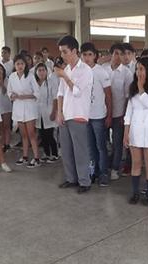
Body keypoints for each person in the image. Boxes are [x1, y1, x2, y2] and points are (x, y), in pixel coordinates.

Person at [56, 35, 94, 194]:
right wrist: (59, 113)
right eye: (61, 52)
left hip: (78, 115)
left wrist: (65, 77)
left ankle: (84, 181)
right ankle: (71, 178)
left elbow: (77, 92)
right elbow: (60, 93)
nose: (62, 55)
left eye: (65, 52)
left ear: (74, 51)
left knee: (80, 151)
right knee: (66, 150)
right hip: (66, 114)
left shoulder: (85, 70)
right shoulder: (66, 69)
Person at [124, 57, 148, 206]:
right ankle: (135, 193)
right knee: (136, 163)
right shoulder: (133, 87)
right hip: (136, 128)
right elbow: (129, 111)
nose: (138, 72)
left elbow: (147, 103)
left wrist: (141, 87)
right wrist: (126, 132)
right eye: (137, 69)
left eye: (141, 69)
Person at [81, 42, 112, 187]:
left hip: (99, 115)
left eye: (90, 55)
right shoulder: (80, 72)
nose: (87, 58)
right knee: (90, 147)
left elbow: (108, 95)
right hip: (86, 116)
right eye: (84, 55)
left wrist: (109, 115)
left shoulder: (101, 72)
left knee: (101, 146)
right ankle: (93, 172)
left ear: (95, 56)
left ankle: (104, 173)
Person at [102, 43, 133, 181]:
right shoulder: (103, 69)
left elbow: (128, 97)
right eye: (116, 53)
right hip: (102, 111)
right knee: (103, 142)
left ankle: (115, 168)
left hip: (119, 113)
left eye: (121, 54)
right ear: (111, 54)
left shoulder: (127, 73)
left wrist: (125, 115)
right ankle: (104, 166)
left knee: (117, 143)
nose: (118, 56)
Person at [8, 54, 42, 168]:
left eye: (22, 64)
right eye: (18, 64)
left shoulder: (30, 76)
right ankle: (25, 156)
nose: (20, 66)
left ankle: (36, 158)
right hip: (18, 108)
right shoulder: (12, 77)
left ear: (25, 65)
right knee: (23, 135)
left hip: (29, 108)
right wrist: (12, 95)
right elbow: (9, 92)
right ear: (14, 65)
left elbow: (37, 93)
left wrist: (24, 96)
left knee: (31, 134)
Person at [34, 62, 59, 162]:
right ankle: (46, 153)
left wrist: (54, 112)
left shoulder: (51, 82)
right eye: (39, 70)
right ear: (36, 72)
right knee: (42, 135)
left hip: (49, 111)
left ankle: (54, 154)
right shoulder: (34, 83)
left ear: (47, 71)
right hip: (38, 112)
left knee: (50, 134)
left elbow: (55, 98)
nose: (41, 72)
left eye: (43, 70)